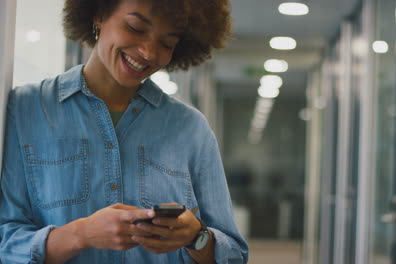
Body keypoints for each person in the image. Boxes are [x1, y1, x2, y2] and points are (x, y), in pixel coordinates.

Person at [0, 0, 248, 263]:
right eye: (135, 27)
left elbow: (234, 254)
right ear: (99, 15)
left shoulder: (191, 129)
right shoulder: (25, 109)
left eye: (167, 43)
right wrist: (81, 234)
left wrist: (196, 237)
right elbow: (5, 241)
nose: (148, 52)